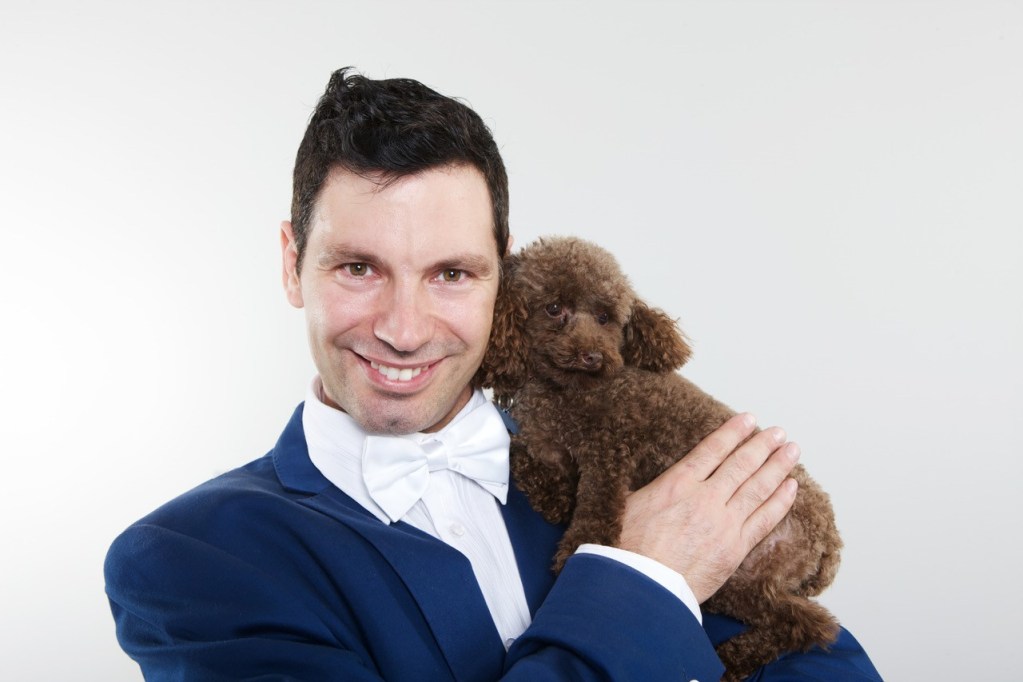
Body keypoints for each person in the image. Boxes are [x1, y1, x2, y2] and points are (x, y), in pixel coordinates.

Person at [104, 68, 882, 681]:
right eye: (358, 268)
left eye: (451, 274)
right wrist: (644, 579)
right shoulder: (188, 560)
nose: (404, 330)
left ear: (503, 278)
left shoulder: (642, 460)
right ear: (290, 263)